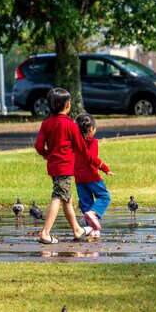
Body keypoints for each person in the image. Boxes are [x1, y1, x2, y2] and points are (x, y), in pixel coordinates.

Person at [34, 88, 113, 244]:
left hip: (54, 168)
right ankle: (45, 233)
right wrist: (101, 164)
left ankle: (77, 230)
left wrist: (46, 154)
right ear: (68, 105)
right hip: (65, 168)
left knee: (67, 199)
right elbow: (83, 151)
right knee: (58, 197)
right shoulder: (71, 125)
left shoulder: (46, 123)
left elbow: (38, 146)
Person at [74, 113, 115, 237]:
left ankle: (91, 229)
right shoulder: (92, 142)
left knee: (86, 202)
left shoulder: (74, 142)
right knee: (105, 196)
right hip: (91, 176)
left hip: (78, 177)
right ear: (91, 129)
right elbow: (92, 158)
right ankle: (93, 214)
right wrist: (105, 168)